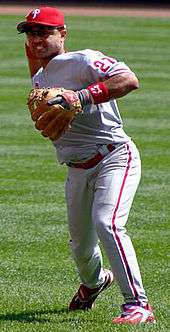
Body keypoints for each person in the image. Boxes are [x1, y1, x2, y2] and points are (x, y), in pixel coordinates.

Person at [17, 6, 155, 325]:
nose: (36, 39)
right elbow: (39, 69)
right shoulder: (40, 77)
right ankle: (95, 283)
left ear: (62, 34)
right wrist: (33, 60)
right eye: (30, 33)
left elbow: (128, 80)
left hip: (114, 157)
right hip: (77, 169)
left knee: (107, 223)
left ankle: (138, 305)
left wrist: (82, 97)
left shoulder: (84, 60)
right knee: (81, 247)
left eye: (43, 32)